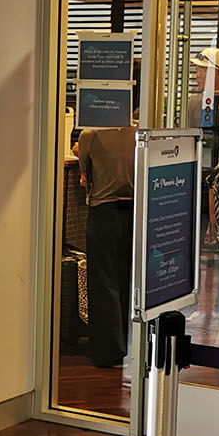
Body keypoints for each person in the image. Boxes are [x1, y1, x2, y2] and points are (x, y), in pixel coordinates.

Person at [77, 122, 138, 368]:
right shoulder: (139, 131)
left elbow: (84, 176)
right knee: (129, 280)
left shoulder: (90, 134)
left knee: (104, 282)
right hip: (135, 212)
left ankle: (108, 351)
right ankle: (132, 344)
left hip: (104, 211)